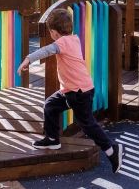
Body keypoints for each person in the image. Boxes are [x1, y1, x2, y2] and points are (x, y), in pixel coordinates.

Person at [17, 9, 123, 173]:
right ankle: (52, 139)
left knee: (87, 124)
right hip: (73, 90)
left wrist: (28, 59)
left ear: (53, 32)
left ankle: (112, 150)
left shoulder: (62, 43)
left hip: (79, 92)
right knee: (51, 105)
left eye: (50, 32)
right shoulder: (74, 39)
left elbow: (46, 50)